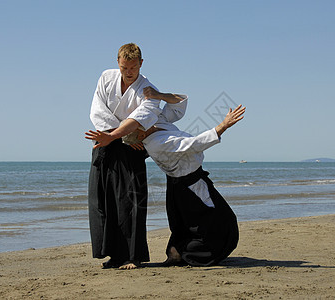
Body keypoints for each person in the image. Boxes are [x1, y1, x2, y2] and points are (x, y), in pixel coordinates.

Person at [86, 87, 244, 267]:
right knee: (222, 221)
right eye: (137, 125)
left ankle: (176, 252)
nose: (140, 122)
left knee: (189, 225)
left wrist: (158, 96)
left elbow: (179, 103)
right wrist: (223, 126)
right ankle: (185, 253)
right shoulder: (157, 144)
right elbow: (193, 145)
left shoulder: (155, 121)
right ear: (140, 135)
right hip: (189, 185)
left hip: (186, 183)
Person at [87, 43, 162, 270]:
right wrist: (111, 136)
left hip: (131, 146)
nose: (128, 72)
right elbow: (98, 109)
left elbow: (142, 117)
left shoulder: (148, 89)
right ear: (117, 63)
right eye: (123, 67)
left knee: (130, 201)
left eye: (132, 68)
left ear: (141, 63)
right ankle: (113, 254)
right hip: (107, 140)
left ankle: (133, 256)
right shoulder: (106, 78)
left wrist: (119, 135)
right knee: (104, 199)